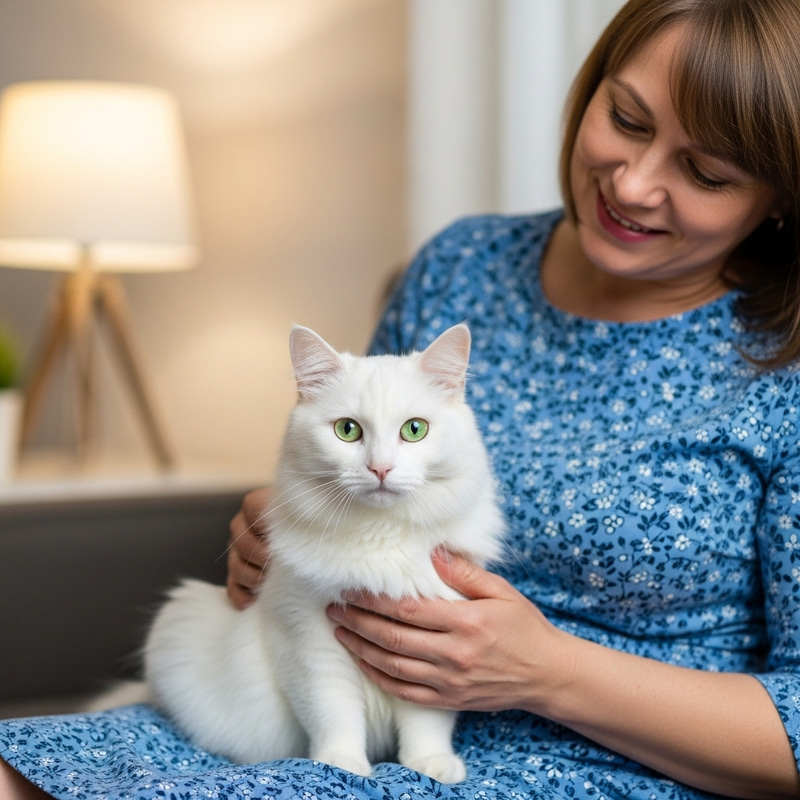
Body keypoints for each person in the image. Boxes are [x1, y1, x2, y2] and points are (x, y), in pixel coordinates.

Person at [3, 0, 800, 797]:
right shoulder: (466, 264)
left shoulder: (785, 364)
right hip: (331, 709)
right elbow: (357, 431)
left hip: (589, 763)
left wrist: (547, 673)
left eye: (704, 173)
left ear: (780, 199)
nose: (633, 183)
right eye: (626, 119)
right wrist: (282, 528)